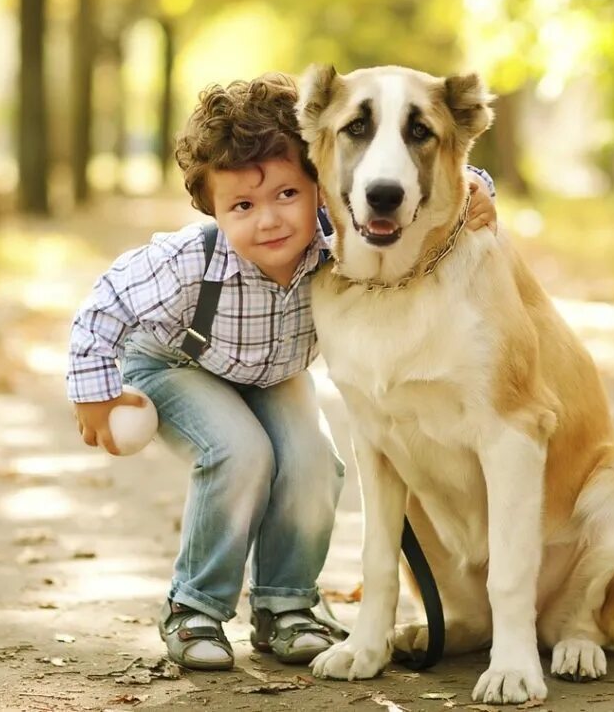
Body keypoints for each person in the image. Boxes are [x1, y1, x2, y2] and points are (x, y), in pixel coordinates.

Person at [66, 72, 498, 671]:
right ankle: (196, 607)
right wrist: (94, 397)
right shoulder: (188, 262)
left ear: (321, 185)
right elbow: (102, 306)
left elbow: (420, 173)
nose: (268, 220)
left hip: (271, 373)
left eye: (287, 196)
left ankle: (286, 604)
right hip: (175, 364)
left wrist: (478, 184)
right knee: (240, 452)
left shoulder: (334, 240)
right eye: (242, 205)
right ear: (211, 207)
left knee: (316, 461)